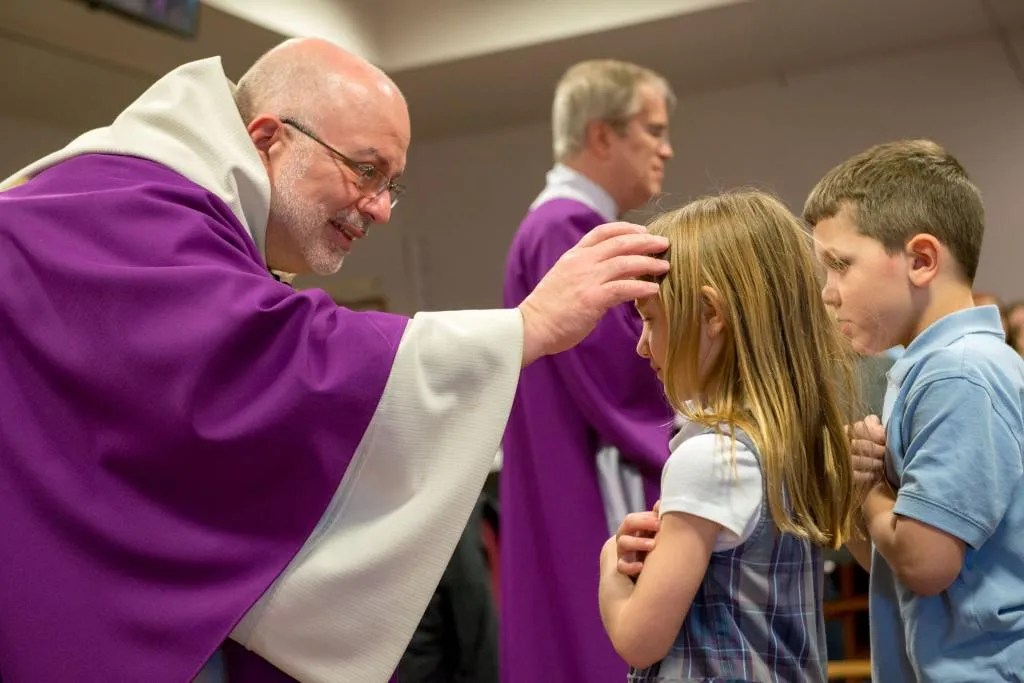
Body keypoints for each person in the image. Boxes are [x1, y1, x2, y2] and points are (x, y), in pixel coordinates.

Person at [0, 38, 672, 683]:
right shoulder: (129, 209)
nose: (380, 209)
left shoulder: (153, 202)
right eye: (367, 170)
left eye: (392, 184)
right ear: (268, 138)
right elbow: (266, 359)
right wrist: (524, 329)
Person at [598, 191, 858, 681]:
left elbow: (639, 637)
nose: (639, 345)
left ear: (711, 314)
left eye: (650, 321)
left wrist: (610, 565)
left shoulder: (710, 459)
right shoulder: (785, 444)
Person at [806, 139, 1024, 681]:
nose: (828, 293)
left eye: (840, 265)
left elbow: (925, 563)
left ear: (921, 261)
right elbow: (892, 565)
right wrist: (864, 497)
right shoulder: (929, 369)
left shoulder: (959, 373)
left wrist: (871, 492)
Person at [501, 59, 676, 683]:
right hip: (593, 476)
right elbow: (622, 377)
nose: (667, 148)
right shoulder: (566, 228)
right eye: (652, 130)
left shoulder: (567, 225)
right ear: (602, 136)